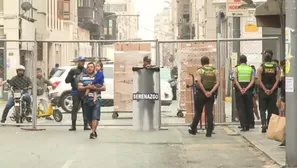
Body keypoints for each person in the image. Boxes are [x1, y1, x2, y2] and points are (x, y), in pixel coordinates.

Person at [188, 56, 219, 137]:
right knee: (209, 112)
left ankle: (193, 128)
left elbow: (198, 82)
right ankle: (209, 132)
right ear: (208, 62)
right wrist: (211, 92)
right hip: (211, 93)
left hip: (201, 93)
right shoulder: (215, 70)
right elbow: (217, 83)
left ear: (202, 63)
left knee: (198, 112)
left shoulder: (200, 71)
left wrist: (205, 92)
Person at [78, 62, 106, 139]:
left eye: (91, 67)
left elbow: (104, 88)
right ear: (87, 68)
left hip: (97, 99)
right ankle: (93, 130)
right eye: (88, 67)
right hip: (86, 100)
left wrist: (94, 88)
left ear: (94, 68)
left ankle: (93, 132)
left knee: (95, 116)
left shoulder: (97, 76)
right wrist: (87, 87)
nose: (90, 68)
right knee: (89, 117)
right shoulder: (82, 77)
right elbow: (79, 87)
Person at [65, 56, 90, 131]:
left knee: (85, 108)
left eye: (83, 61)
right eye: (81, 61)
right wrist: (72, 77)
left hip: (84, 91)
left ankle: (86, 125)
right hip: (75, 91)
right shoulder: (73, 70)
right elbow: (67, 80)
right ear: (78, 62)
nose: (82, 62)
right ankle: (73, 126)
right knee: (75, 108)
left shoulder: (86, 70)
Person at [257, 54, 280, 133]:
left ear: (264, 59)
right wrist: (272, 89)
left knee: (262, 109)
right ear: (271, 59)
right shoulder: (276, 67)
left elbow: (259, 80)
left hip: (263, 91)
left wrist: (265, 89)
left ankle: (264, 124)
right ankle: (270, 125)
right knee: (271, 109)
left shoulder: (261, 67)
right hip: (273, 91)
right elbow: (277, 80)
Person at [233, 55, 255, 131]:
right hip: (248, 90)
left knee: (241, 108)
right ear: (246, 60)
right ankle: (248, 125)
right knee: (248, 108)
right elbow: (252, 81)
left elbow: (235, 80)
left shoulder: (236, 69)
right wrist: (246, 89)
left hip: (239, 90)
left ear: (239, 61)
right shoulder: (250, 69)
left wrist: (241, 89)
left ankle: (243, 125)